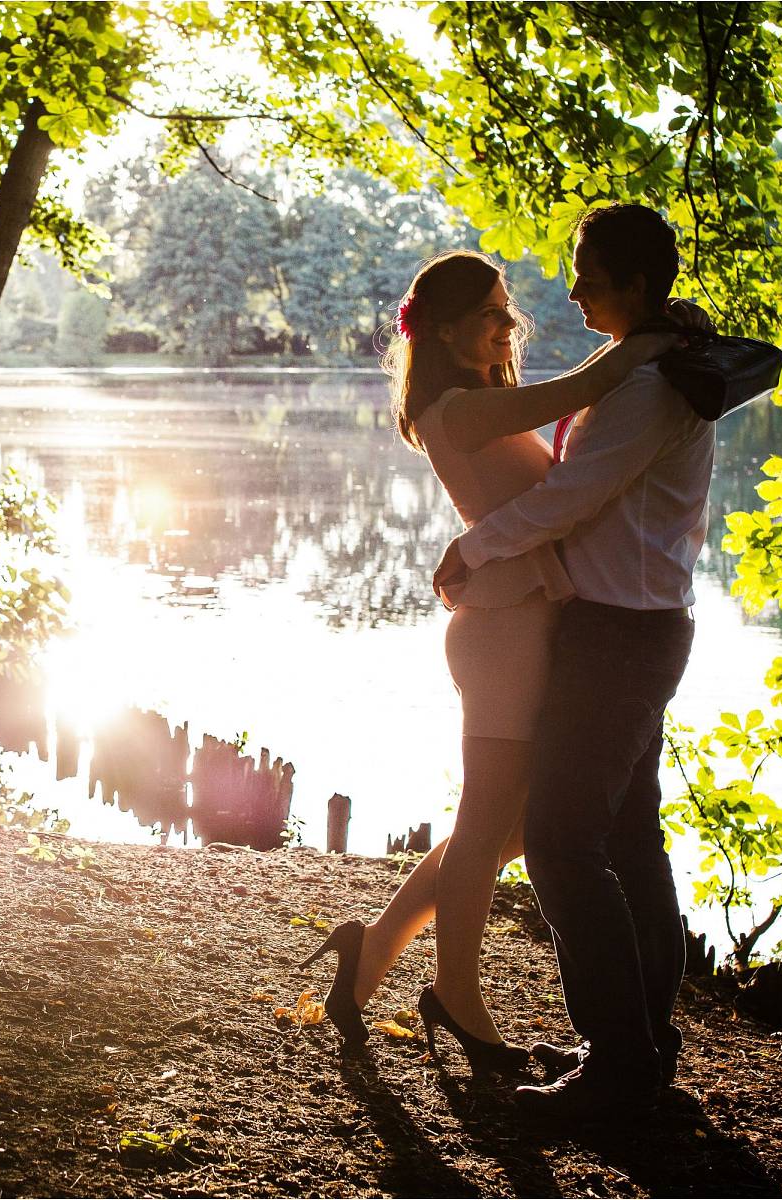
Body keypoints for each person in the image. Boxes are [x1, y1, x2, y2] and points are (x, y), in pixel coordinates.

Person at [299, 249, 679, 1073]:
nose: (509, 325)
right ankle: (457, 999)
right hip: (503, 631)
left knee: (510, 827)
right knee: (489, 823)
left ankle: (370, 951)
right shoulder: (455, 408)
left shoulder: (486, 402)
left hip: (527, 622)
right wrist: (645, 345)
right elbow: (579, 393)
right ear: (440, 329)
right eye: (490, 314)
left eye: (509, 310)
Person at [433, 205, 716, 1118]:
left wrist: (472, 551)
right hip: (623, 628)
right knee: (630, 839)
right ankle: (639, 1039)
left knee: (561, 844)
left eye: (589, 271)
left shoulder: (649, 385)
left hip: (621, 638)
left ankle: (621, 1063)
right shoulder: (643, 365)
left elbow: (573, 498)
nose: (573, 285)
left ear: (636, 284)